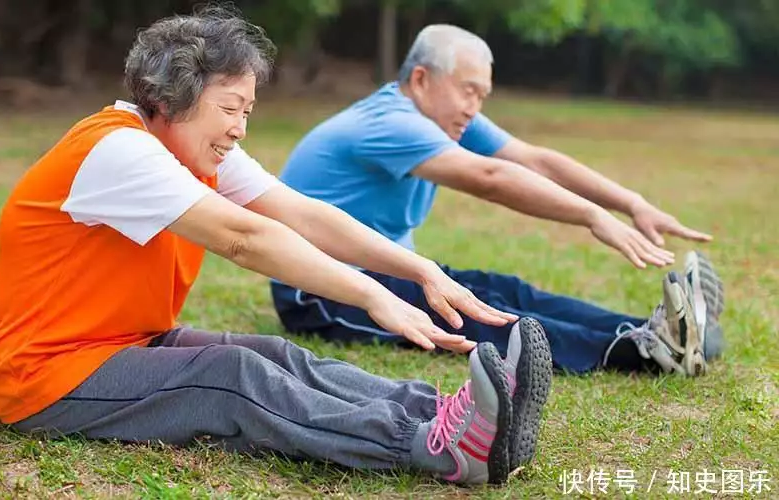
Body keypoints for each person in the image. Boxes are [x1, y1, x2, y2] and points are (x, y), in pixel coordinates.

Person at [0, 9, 554, 486]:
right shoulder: (118, 151)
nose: (239, 128)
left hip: (123, 342)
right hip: (48, 379)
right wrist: (370, 294)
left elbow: (301, 212)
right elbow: (244, 238)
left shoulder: (196, 149)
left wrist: (419, 268)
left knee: (277, 356)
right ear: (174, 97)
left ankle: (451, 413)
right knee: (231, 375)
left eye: (247, 112)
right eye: (229, 108)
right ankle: (437, 447)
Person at [271, 24, 725, 377]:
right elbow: (489, 177)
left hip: (387, 270)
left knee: (506, 291)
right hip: (320, 291)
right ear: (422, 79)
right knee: (480, 311)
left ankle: (660, 329)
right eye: (467, 90)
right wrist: (590, 215)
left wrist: (631, 202)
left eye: (482, 96)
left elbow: (534, 160)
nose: (474, 107)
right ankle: (637, 351)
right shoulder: (390, 122)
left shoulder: (446, 117)